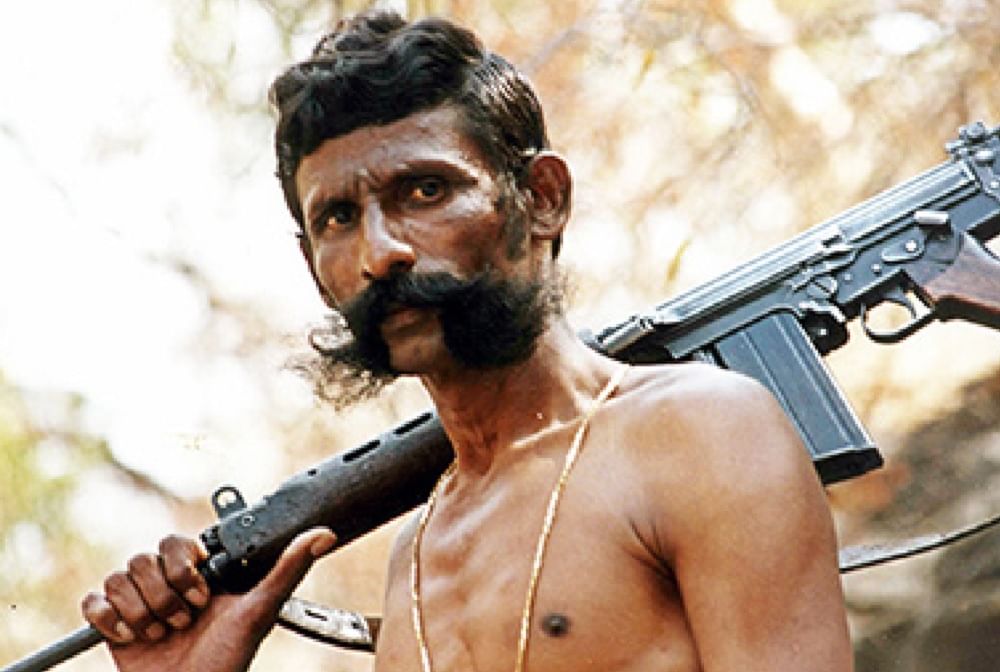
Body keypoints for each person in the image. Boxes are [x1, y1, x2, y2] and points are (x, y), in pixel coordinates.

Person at [81, 11, 854, 672]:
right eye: (338, 219)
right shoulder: (416, 557)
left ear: (542, 198)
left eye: (424, 190)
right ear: (315, 269)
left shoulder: (698, 434)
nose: (381, 252)